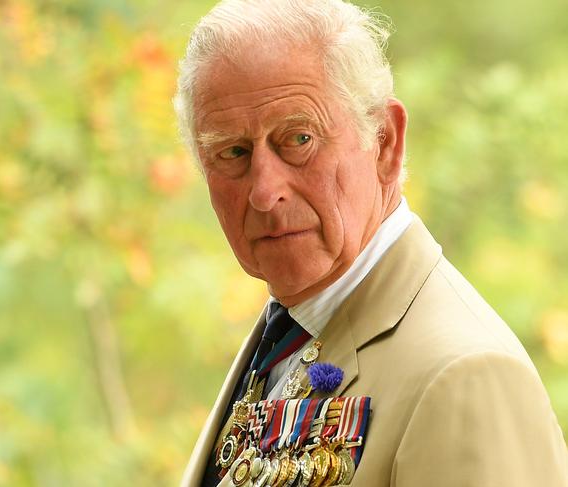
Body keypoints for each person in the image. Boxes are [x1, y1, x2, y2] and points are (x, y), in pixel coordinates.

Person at [173, 1, 568, 486]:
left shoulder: (466, 375)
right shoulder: (290, 331)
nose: (263, 191)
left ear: (385, 142)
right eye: (232, 152)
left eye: (298, 139)